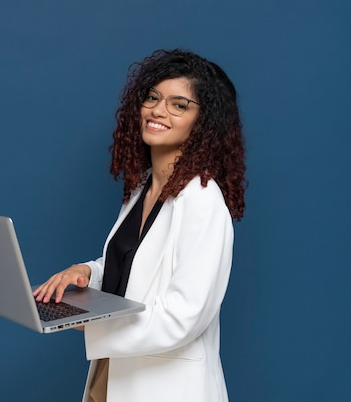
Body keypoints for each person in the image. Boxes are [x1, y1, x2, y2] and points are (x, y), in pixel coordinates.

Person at [33, 48, 246, 402]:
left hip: (165, 387)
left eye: (179, 105)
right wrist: (87, 272)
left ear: (203, 122)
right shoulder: (143, 187)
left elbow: (184, 316)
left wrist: (89, 321)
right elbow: (139, 266)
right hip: (111, 375)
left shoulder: (203, 200)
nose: (158, 111)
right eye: (152, 97)